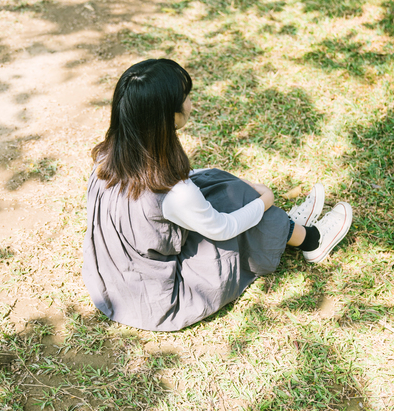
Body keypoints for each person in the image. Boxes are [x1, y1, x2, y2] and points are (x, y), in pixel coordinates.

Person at [82, 59, 352, 332]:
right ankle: (309, 241)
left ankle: (286, 228)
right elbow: (224, 228)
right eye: (186, 98)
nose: (190, 104)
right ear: (167, 116)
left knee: (215, 181)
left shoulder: (108, 156)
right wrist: (265, 199)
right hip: (161, 300)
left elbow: (189, 180)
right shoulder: (176, 193)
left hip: (112, 282)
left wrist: (224, 177)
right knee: (241, 202)